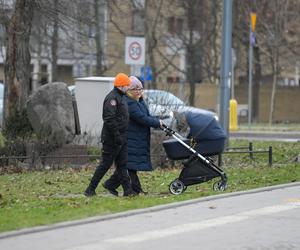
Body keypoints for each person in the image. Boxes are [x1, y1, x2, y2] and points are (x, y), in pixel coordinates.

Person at [103, 76, 163, 195]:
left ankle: (114, 185)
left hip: (137, 138)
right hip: (130, 139)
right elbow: (141, 118)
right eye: (136, 89)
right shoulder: (129, 103)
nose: (139, 91)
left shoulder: (139, 101)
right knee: (129, 165)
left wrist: (157, 120)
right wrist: (156, 123)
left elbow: (147, 116)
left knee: (130, 166)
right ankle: (131, 189)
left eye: (141, 88)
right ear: (129, 90)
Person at [84, 73, 136, 197]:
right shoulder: (112, 98)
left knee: (122, 164)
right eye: (127, 85)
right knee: (105, 165)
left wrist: (121, 136)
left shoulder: (121, 97)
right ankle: (90, 189)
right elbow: (109, 119)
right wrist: (117, 135)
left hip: (121, 138)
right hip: (112, 139)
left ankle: (128, 191)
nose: (128, 87)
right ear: (121, 86)